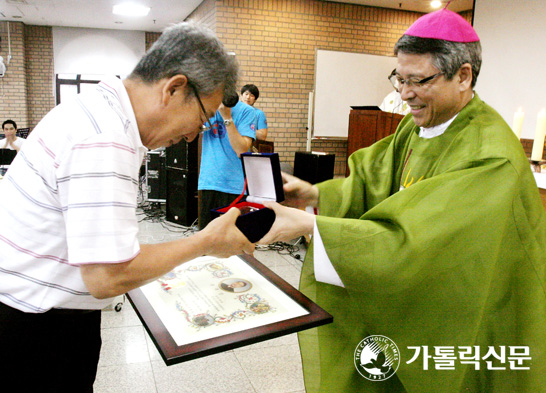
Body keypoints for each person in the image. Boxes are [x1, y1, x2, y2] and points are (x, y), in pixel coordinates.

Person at [258, 8, 546, 393]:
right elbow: (373, 181)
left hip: (467, 310)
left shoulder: (490, 155)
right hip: (415, 301)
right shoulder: (417, 128)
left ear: (463, 76)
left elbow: (424, 243)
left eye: (418, 80)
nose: (405, 93)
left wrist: (313, 227)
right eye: (400, 78)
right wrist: (315, 194)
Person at [0, 22, 254, 393]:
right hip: (35, 327)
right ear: (174, 88)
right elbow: (107, 277)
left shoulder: (98, 107)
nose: (190, 135)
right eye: (201, 120)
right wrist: (206, 242)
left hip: (36, 309)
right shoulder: (107, 137)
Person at [198, 98, 256, 229]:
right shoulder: (206, 108)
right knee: (206, 239)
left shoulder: (246, 111)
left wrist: (227, 117)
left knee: (237, 239)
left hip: (234, 185)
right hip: (209, 181)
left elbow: (241, 150)